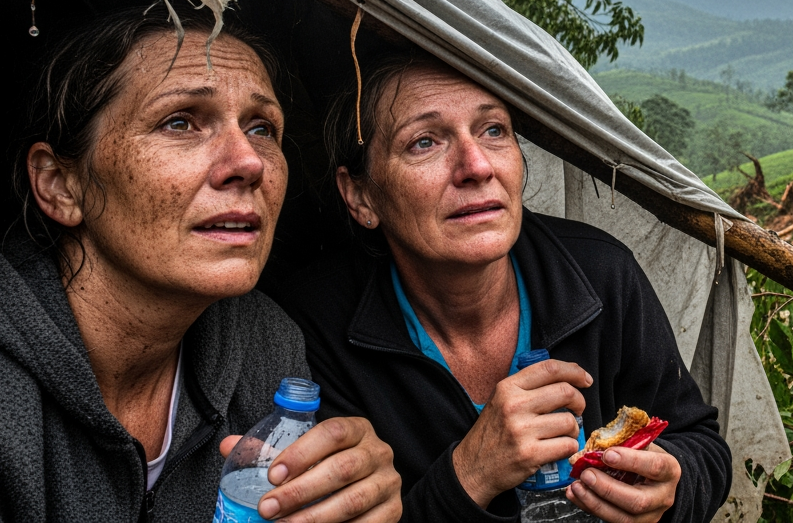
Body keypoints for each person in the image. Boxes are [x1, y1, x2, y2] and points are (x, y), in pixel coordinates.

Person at [0, 9, 402, 523]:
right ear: (59, 184)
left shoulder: (264, 343)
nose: (250, 161)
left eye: (261, 128)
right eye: (180, 121)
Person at [269, 52, 732, 523]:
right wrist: (471, 473)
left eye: (493, 130)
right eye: (424, 142)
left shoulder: (601, 275)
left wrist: (671, 488)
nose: (477, 166)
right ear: (361, 195)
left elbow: (700, 442)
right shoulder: (310, 327)